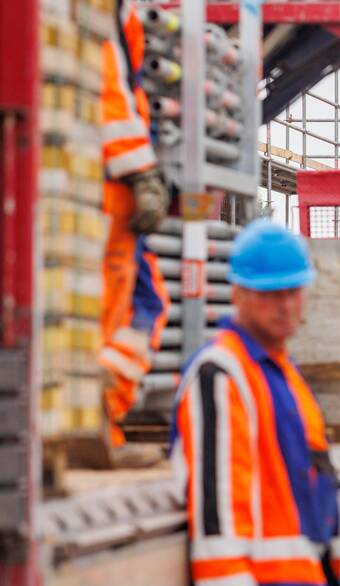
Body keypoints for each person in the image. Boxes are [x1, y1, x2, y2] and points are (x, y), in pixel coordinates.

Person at [173, 221, 340, 586]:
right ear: (239, 294)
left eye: (294, 291)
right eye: (270, 293)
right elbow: (215, 504)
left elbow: (318, 499)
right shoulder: (220, 374)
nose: (285, 304)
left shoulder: (288, 380)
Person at [99, 0, 171, 461]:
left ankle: (98, 420)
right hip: (113, 180)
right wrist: (141, 171)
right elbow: (109, 86)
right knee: (133, 306)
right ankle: (97, 419)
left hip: (107, 175)